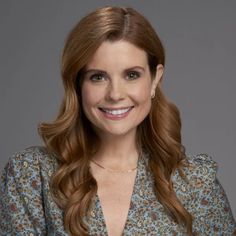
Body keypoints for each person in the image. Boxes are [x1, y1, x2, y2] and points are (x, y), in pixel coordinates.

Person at [0, 6, 235, 236]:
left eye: (131, 75)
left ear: (155, 80)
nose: (115, 94)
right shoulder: (31, 176)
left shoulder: (195, 184)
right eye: (98, 77)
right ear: (77, 84)